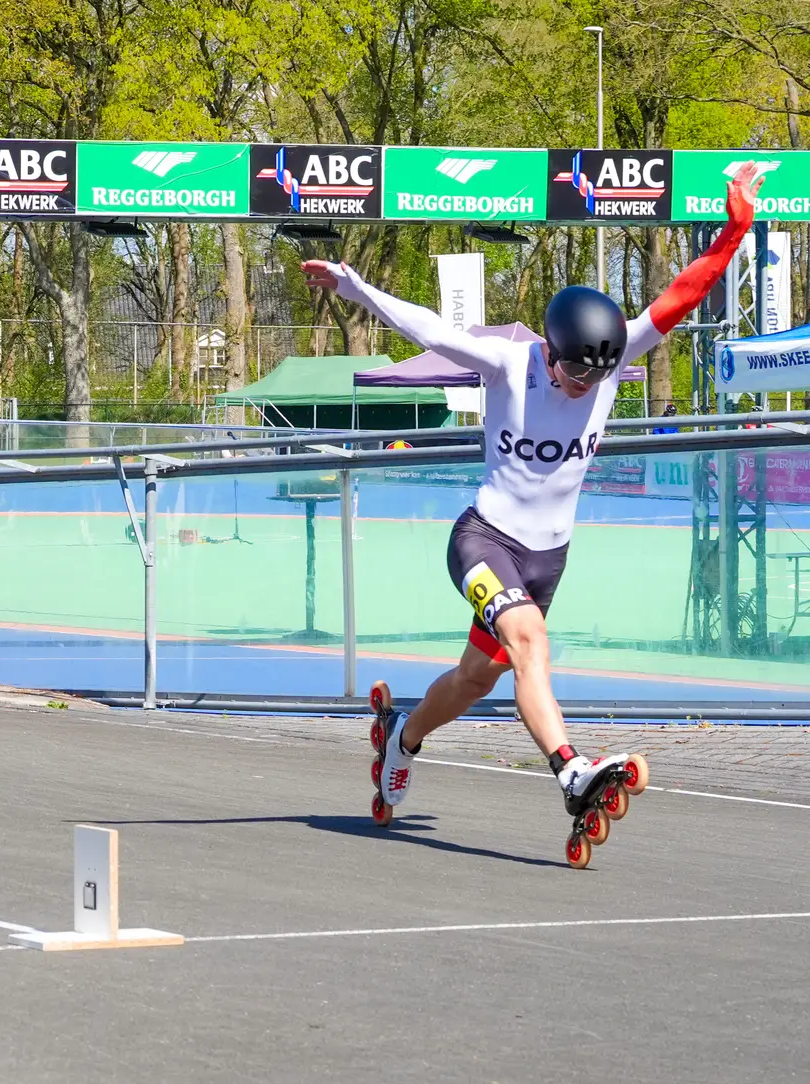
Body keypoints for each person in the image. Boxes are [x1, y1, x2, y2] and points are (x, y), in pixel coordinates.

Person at [307, 162, 762, 867]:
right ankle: (572, 772)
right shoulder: (503, 361)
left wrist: (735, 229)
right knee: (529, 643)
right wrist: (352, 285)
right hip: (484, 539)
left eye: (596, 376)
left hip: (549, 556)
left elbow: (686, 290)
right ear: (549, 353)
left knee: (474, 678)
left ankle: (403, 736)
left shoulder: (610, 358)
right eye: (575, 373)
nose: (584, 387)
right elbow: (426, 325)